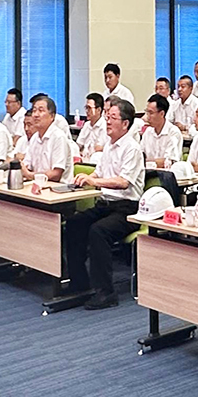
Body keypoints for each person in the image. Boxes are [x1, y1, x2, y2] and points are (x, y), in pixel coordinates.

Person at [65, 98, 145, 309]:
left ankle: (106, 293)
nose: (107, 122)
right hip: (106, 204)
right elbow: (99, 173)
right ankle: (79, 283)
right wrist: (84, 178)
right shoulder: (109, 146)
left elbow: (123, 182)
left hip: (128, 209)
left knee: (98, 231)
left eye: (112, 118)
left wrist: (94, 181)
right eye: (107, 117)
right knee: (74, 223)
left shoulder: (132, 148)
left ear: (125, 124)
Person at [22, 96, 74, 184]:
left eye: (41, 110)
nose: (36, 115)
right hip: (37, 185)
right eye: (34, 111)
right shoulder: (34, 137)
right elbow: (27, 166)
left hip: (59, 188)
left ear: (52, 116)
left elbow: (56, 174)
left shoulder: (59, 137)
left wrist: (31, 175)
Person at [140, 94, 183, 168]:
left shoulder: (173, 132)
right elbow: (140, 156)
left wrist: (148, 162)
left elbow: (169, 162)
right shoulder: (148, 132)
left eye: (151, 113)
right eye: (147, 112)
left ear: (162, 114)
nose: (147, 116)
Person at [77, 93, 109, 159]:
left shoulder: (104, 126)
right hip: (83, 159)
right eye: (86, 108)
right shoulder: (86, 125)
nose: (87, 111)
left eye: (89, 108)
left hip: (96, 160)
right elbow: (79, 144)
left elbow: (98, 148)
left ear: (99, 110)